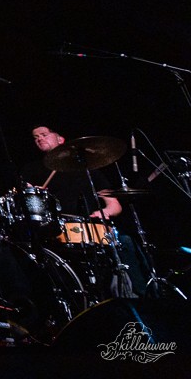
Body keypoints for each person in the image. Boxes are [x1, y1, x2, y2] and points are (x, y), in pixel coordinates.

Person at [21, 124, 148, 297]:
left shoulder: (88, 168)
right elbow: (28, 202)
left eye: (44, 134)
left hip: (93, 227)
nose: (39, 139)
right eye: (36, 138)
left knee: (125, 242)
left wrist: (104, 213)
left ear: (60, 139)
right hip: (57, 230)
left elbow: (114, 204)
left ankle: (141, 298)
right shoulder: (32, 170)